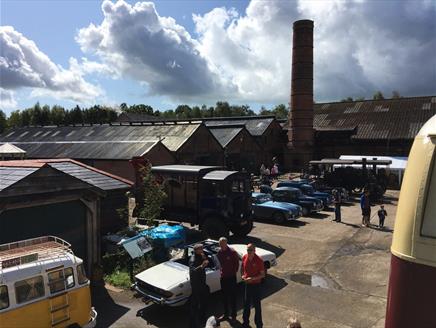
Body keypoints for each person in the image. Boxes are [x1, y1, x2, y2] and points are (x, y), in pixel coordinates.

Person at [241, 243, 265, 328]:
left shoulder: (259, 260)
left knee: (257, 306)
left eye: (251, 250)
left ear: (255, 250)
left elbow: (262, 275)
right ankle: (245, 322)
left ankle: (259, 324)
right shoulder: (244, 257)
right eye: (248, 250)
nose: (249, 251)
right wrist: (243, 276)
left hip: (256, 285)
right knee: (246, 304)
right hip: (248, 285)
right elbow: (242, 268)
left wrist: (252, 279)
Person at [217, 237, 239, 322]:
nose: (221, 245)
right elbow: (218, 263)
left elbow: (236, 264)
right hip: (223, 278)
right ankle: (226, 314)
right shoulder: (219, 252)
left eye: (223, 243)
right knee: (224, 297)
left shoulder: (232, 252)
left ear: (226, 243)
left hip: (231, 278)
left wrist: (233, 272)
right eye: (220, 244)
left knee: (232, 297)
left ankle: (234, 316)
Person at [189, 244, 209, 328]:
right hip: (196, 285)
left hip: (202, 284)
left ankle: (202, 320)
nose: (203, 250)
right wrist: (202, 266)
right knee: (195, 305)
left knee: (203, 303)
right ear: (197, 250)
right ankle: (193, 324)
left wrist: (204, 258)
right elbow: (193, 271)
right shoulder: (193, 259)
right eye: (201, 249)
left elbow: (205, 261)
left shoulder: (200, 255)